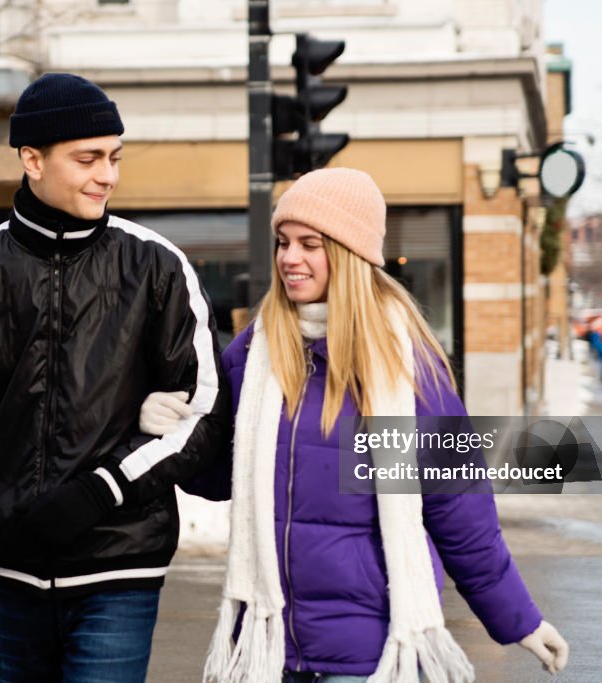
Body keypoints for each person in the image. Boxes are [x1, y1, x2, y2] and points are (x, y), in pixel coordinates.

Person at [142, 168, 569, 682]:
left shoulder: (404, 370)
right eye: (283, 242)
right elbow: (218, 474)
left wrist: (519, 621)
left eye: (310, 244)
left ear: (349, 254)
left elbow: (460, 518)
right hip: (266, 650)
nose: (289, 258)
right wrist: (174, 431)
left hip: (367, 654)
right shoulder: (256, 353)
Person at [0, 72, 230, 682]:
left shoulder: (157, 267)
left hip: (119, 567)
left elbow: (203, 412)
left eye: (115, 157)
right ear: (32, 158)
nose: (108, 175)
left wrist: (101, 490)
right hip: (10, 572)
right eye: (88, 158)